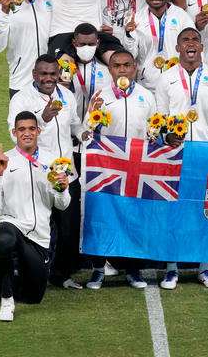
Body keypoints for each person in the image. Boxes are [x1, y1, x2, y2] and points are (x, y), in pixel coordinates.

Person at [0, 112, 70, 321]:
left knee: (33, 296)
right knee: (4, 241)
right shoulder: (4, 160)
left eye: (31, 129)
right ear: (14, 133)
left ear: (38, 131)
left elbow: (62, 205)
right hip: (9, 223)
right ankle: (6, 301)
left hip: (38, 235)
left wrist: (62, 189)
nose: (27, 133)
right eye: (21, 129)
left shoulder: (52, 161)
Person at [155, 28, 208, 289]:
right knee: (174, 212)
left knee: (206, 211)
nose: (190, 44)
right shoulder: (165, 79)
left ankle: (205, 268)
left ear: (201, 47)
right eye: (185, 40)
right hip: (175, 154)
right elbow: (159, 117)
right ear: (177, 49)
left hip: (207, 150)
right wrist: (165, 138)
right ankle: (172, 269)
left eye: (195, 40)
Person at [7, 54, 85, 289]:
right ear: (34, 74)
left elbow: (74, 124)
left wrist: (84, 133)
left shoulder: (67, 95)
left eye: (53, 74)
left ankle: (61, 275)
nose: (49, 78)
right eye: (44, 74)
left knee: (69, 229)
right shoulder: (22, 99)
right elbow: (15, 135)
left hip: (67, 173)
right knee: (35, 226)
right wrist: (43, 119)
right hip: (38, 175)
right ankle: (30, 270)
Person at [81, 49, 156, 289]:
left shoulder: (146, 96)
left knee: (134, 219)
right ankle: (98, 270)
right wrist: (93, 115)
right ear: (110, 70)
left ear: (134, 68)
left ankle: (133, 271)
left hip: (136, 167)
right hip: (106, 167)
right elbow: (87, 132)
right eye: (117, 66)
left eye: (126, 65)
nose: (122, 69)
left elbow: (154, 129)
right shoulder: (100, 96)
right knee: (101, 218)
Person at [126, 0, 193, 92]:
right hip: (147, 87)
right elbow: (131, 55)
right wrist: (128, 35)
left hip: (177, 86)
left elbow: (193, 49)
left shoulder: (181, 16)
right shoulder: (136, 19)